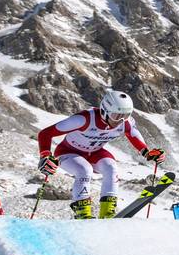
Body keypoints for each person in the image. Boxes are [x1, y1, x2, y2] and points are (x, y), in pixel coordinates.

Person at [37, 89, 166, 219]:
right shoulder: (84, 119)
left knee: (111, 168)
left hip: (95, 153)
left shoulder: (123, 123)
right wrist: (45, 156)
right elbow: (45, 134)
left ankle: (107, 213)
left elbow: (133, 135)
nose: (120, 121)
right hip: (68, 152)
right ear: (104, 110)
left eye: (125, 116)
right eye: (116, 116)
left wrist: (147, 152)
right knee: (84, 170)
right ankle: (83, 213)